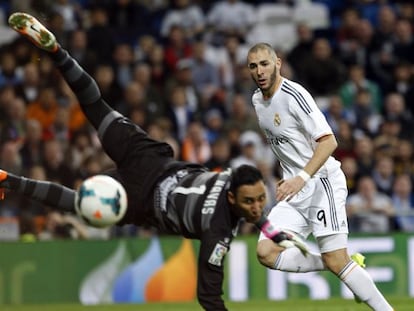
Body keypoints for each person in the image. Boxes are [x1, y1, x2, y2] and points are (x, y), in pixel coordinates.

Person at [1, 13, 306, 311]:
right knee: (76, 204)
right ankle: (9, 180)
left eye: (259, 202)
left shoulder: (231, 177)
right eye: (253, 202)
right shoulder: (218, 234)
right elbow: (210, 300)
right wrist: (271, 230)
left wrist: (274, 232)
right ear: (233, 197)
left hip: (148, 161)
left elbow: (249, 206)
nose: (257, 208)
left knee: (95, 105)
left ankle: (58, 52)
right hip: (140, 199)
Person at [247, 43, 394, 310]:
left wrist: (300, 177)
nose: (259, 71)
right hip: (294, 190)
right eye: (253, 66)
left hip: (321, 183)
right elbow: (289, 144)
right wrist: (289, 175)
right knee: (266, 252)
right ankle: (338, 264)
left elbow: (328, 142)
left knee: (336, 260)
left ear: (278, 63)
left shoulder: (295, 95)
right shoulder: (257, 100)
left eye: (264, 64)